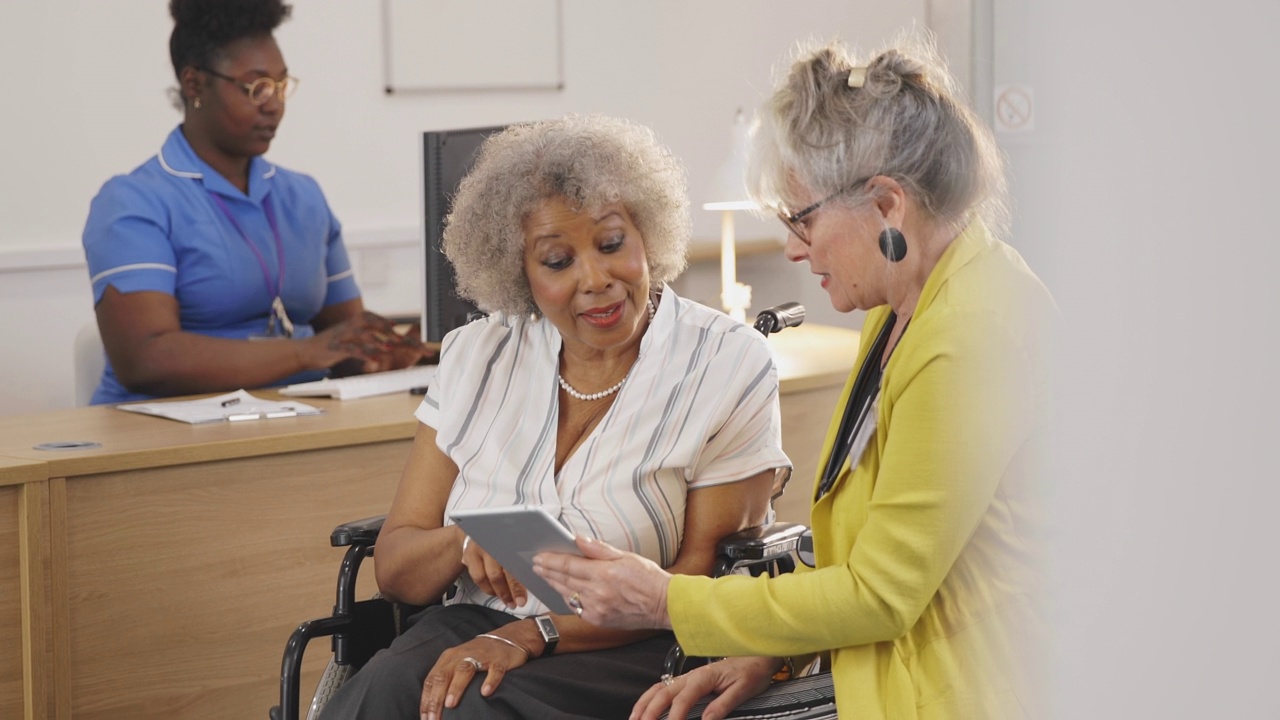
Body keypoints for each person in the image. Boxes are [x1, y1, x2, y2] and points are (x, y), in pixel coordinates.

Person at [534, 35, 1056, 720]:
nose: (791, 247)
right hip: (885, 674)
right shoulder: (903, 302)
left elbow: (880, 593)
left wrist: (662, 601)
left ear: (887, 206)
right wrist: (771, 651)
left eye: (802, 217)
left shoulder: (968, 335)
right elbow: (866, 551)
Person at [317, 114, 790, 720]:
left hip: (639, 638)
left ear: (648, 234)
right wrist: (467, 541)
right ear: (521, 272)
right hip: (473, 619)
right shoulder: (475, 355)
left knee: (474, 708)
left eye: (613, 244)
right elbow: (398, 571)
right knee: (386, 688)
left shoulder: (725, 360)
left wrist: (532, 634)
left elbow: (701, 577)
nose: (596, 280)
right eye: (557, 261)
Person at [81, 0, 427, 405]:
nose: (275, 103)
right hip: (159, 433)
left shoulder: (303, 197)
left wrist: (386, 354)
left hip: (292, 418)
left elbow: (344, 338)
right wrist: (305, 351)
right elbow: (146, 358)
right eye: (256, 87)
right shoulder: (133, 202)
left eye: (281, 85)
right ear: (194, 85)